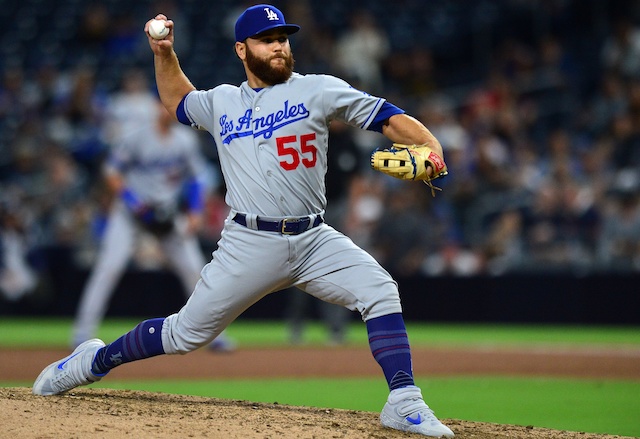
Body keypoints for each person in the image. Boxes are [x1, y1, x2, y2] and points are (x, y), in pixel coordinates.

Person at [33, 5, 454, 437]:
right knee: (184, 335)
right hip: (249, 242)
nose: (278, 46)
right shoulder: (221, 101)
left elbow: (390, 118)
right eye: (267, 39)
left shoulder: (319, 90)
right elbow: (177, 100)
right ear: (241, 49)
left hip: (314, 238)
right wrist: (163, 53)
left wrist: (431, 150)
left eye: (283, 39)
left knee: (380, 290)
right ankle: (93, 361)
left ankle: (404, 399)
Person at [70, 98, 234, 352]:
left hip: (166, 216)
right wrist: (136, 204)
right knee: (109, 268)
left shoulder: (185, 140)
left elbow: (196, 179)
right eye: (163, 106)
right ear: (157, 108)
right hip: (130, 214)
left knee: (194, 270)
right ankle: (82, 334)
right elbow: (111, 172)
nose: (167, 111)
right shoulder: (137, 137)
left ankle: (215, 334)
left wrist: (194, 211)